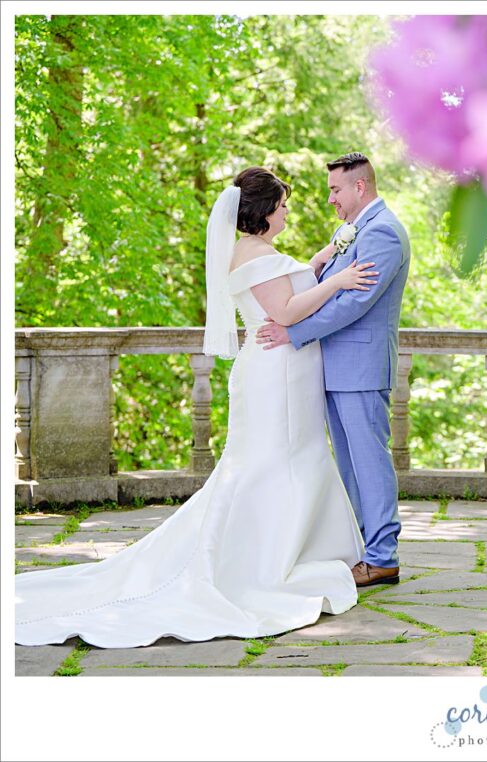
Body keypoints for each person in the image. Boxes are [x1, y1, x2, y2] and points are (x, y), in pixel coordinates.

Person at [15, 167, 377, 648]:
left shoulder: (253, 252)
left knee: (284, 459)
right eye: (284, 204)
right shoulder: (256, 258)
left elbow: (288, 282)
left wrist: (326, 258)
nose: (289, 211)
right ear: (265, 213)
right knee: (275, 461)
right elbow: (286, 311)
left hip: (279, 370)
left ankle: (294, 545)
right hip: (279, 375)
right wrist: (340, 281)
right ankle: (266, 559)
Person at [255, 153, 411, 588]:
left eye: (335, 190)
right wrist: (322, 263)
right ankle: (364, 549)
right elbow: (329, 290)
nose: (330, 200)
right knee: (349, 465)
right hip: (338, 366)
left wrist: (295, 332)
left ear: (360, 187)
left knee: (369, 463)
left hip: (360, 367)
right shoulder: (351, 231)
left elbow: (354, 303)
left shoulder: (382, 232)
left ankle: (383, 557)